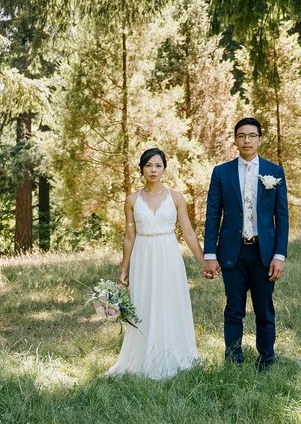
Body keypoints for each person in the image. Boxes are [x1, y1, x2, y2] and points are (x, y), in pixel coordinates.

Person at [106, 148, 205, 379]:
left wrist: (204, 261)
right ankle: (143, 356)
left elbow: (188, 232)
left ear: (164, 169)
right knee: (144, 303)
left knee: (170, 302)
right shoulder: (132, 200)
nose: (153, 170)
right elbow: (129, 236)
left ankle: (175, 353)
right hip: (143, 255)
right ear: (142, 168)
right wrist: (124, 270)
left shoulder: (176, 197)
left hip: (168, 254)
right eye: (149, 165)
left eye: (158, 165)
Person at [202, 117, 289, 371]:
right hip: (232, 251)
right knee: (233, 309)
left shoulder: (274, 172)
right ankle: (233, 360)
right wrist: (210, 253)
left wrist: (279, 255)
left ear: (260, 139)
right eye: (242, 136)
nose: (247, 140)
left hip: (264, 253)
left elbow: (281, 217)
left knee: (264, 310)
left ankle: (267, 360)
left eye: (252, 135)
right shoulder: (221, 172)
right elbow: (212, 213)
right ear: (236, 140)